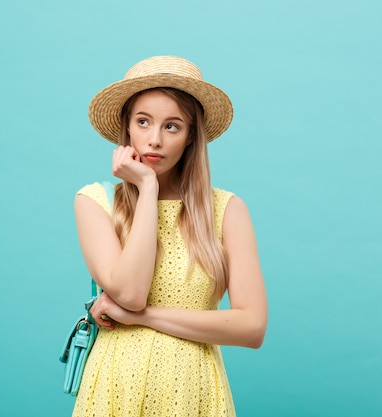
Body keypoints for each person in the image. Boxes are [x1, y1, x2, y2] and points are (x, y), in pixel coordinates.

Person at [73, 56, 267, 417]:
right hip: (117, 387)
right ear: (127, 127)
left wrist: (145, 317)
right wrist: (147, 188)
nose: (155, 140)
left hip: (194, 390)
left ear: (192, 135)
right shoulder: (95, 201)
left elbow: (252, 327)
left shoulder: (227, 209)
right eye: (143, 122)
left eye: (172, 126)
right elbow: (129, 293)